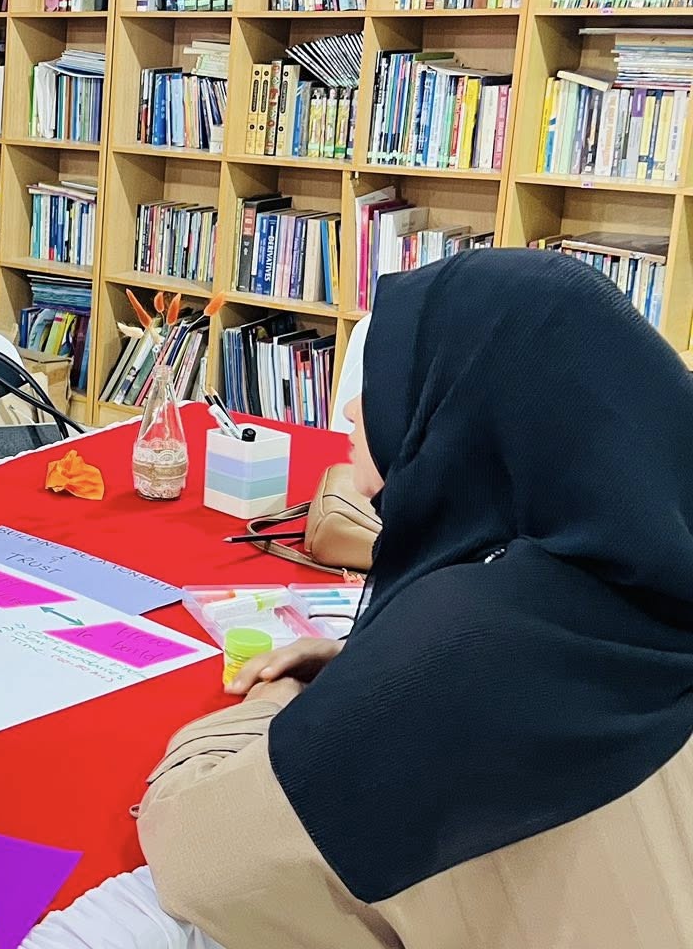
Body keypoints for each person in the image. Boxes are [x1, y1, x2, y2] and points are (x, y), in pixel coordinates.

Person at [138, 249, 693, 948]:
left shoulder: (478, 644)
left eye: (389, 379)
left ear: (463, 404)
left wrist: (282, 701)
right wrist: (368, 662)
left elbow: (198, 862)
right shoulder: (646, 590)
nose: (350, 408)